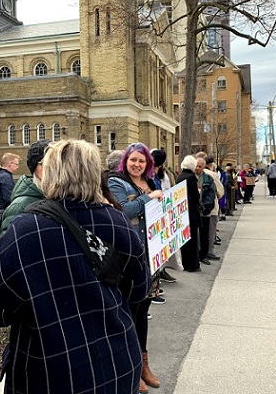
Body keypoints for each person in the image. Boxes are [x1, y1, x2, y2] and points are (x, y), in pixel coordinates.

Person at [0, 139, 151, 394]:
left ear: (51, 173)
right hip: (117, 363)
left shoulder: (25, 229)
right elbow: (139, 290)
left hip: (48, 372)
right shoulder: (118, 222)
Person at [108, 142, 163, 392]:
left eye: (142, 161)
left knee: (143, 313)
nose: (137, 165)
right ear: (125, 161)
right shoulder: (117, 183)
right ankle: (130, 369)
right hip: (130, 257)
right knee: (129, 312)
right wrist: (148, 198)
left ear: (148, 164)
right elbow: (121, 210)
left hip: (152, 256)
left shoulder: (152, 182)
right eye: (133, 160)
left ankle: (144, 364)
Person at [0, 139, 50, 237]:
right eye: (46, 164)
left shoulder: (58, 197)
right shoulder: (19, 206)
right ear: (34, 167)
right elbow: (8, 246)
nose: (52, 168)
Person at [151, 148, 180, 282]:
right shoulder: (149, 176)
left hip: (164, 214)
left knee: (162, 245)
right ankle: (155, 276)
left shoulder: (164, 176)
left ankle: (161, 271)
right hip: (153, 215)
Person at [176, 155, 202, 272]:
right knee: (193, 238)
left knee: (185, 238)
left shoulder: (180, 176)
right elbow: (196, 196)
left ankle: (185, 263)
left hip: (182, 210)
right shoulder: (191, 178)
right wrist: (198, 192)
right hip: (191, 210)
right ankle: (193, 264)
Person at [195, 157, 217, 265]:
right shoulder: (191, 178)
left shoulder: (208, 179)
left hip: (205, 211)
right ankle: (196, 254)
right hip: (195, 210)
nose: (198, 168)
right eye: (196, 166)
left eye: (200, 166)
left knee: (205, 234)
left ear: (204, 167)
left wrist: (205, 206)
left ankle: (203, 255)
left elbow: (211, 194)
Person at [204, 156, 225, 258]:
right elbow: (220, 191)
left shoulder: (197, 173)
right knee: (211, 229)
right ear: (211, 165)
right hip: (211, 206)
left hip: (199, 207)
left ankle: (201, 250)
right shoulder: (213, 175)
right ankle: (209, 251)